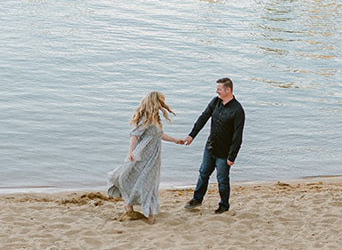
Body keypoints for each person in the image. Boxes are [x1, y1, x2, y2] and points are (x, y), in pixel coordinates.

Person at [105, 91, 186, 222]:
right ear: (155, 102)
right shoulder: (145, 118)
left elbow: (160, 135)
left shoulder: (156, 118)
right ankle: (133, 206)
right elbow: (134, 135)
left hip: (154, 158)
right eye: (161, 101)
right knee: (133, 178)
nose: (163, 104)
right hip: (142, 155)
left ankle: (145, 211)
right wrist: (130, 151)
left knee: (151, 183)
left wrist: (176, 140)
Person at [183, 77, 245, 213]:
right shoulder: (215, 102)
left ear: (228, 90)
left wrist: (232, 157)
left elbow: (238, 136)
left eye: (219, 89)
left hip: (225, 152)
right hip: (210, 147)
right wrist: (192, 135)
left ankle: (223, 206)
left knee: (222, 180)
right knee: (203, 173)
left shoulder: (237, 110)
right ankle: (197, 199)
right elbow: (203, 118)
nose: (216, 91)